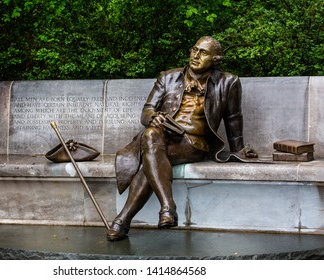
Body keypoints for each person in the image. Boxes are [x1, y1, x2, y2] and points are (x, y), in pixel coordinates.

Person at [107, 36, 258, 241]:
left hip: (193, 144)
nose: (195, 55)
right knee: (151, 134)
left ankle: (124, 221)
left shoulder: (229, 82)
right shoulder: (168, 77)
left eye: (203, 53)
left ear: (215, 59)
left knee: (151, 160)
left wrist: (238, 149)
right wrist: (154, 117)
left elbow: (233, 119)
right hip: (161, 138)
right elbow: (147, 111)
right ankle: (166, 208)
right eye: (194, 49)